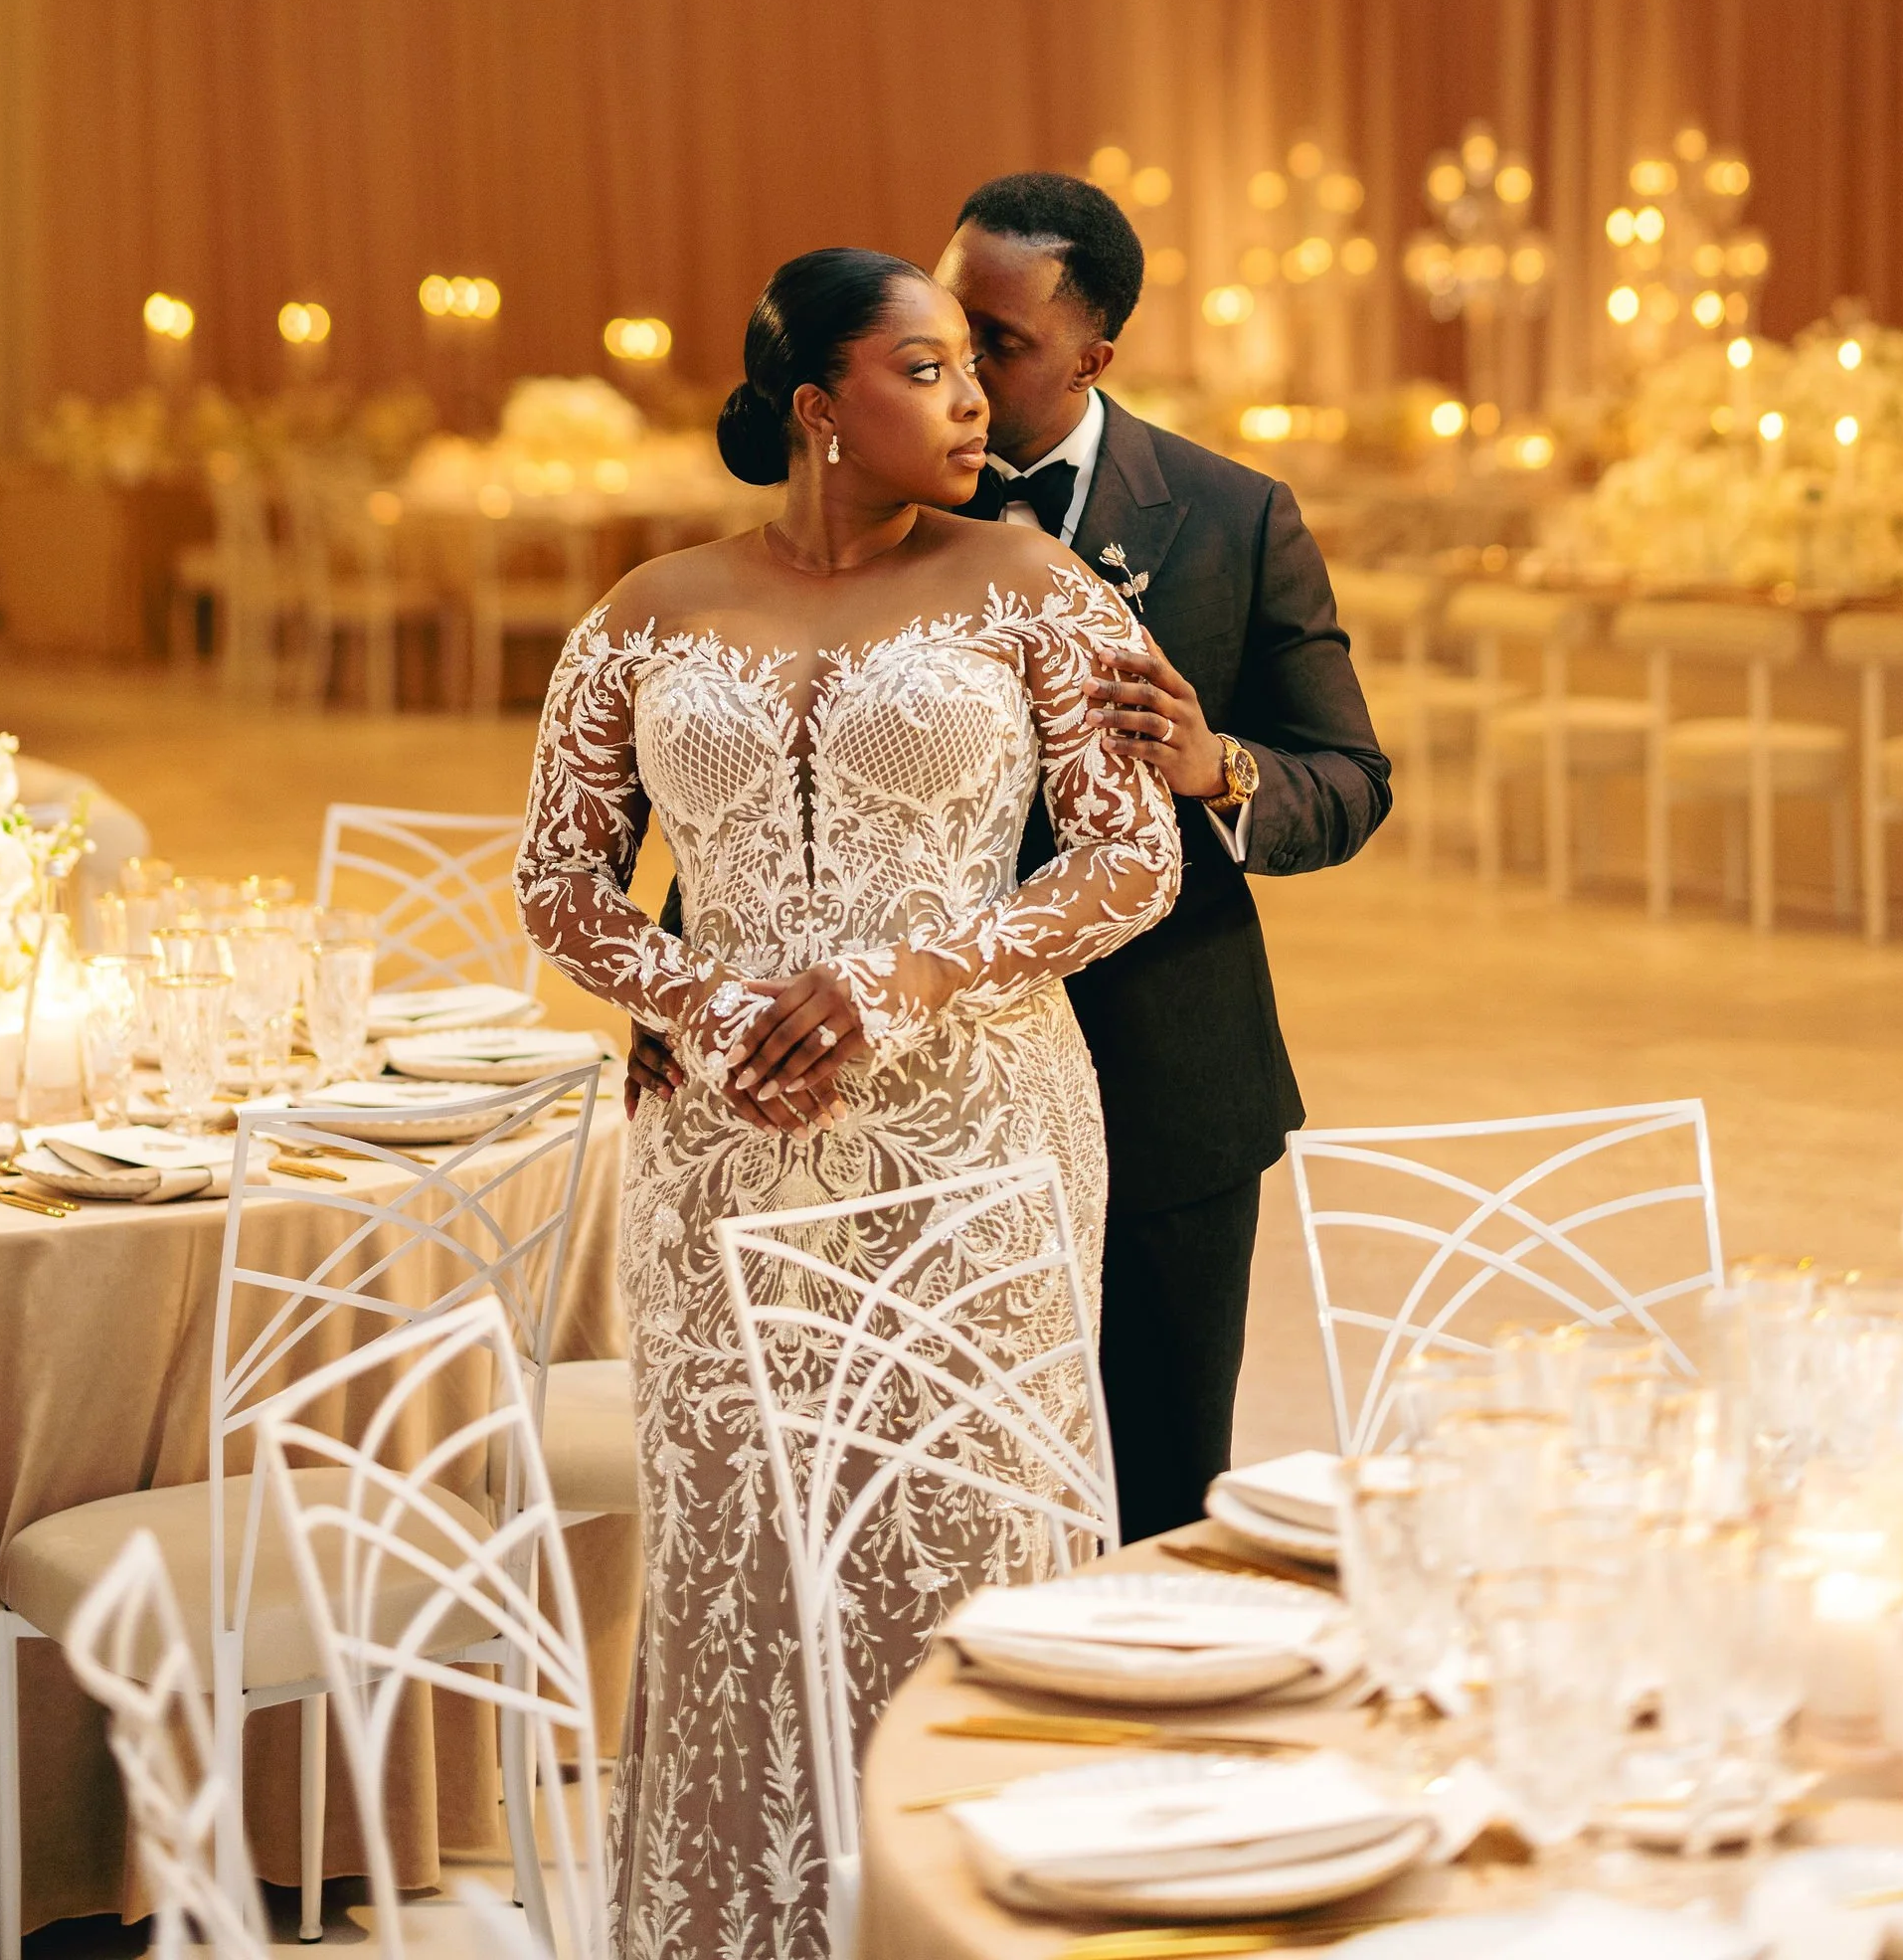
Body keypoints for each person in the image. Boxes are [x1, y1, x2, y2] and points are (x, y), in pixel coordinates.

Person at [515, 246, 1179, 1960]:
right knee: (746, 1552)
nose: (973, 402)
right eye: (927, 371)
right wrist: (698, 994)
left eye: (975, 369)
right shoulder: (649, 610)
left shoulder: (1033, 586)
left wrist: (904, 981)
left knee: (969, 1530)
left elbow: (1130, 856)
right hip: (725, 1161)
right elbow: (561, 884)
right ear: (822, 408)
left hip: (976, 1142)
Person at [940, 169, 1391, 1538]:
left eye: (997, 346)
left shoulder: (1234, 517)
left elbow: (1351, 780)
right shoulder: (880, 512)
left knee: (1158, 1492)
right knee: (955, 1482)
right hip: (938, 1083)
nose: (957, 375)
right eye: (946, 333)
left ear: (1095, 354)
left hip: (1167, 1080)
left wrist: (1220, 770)